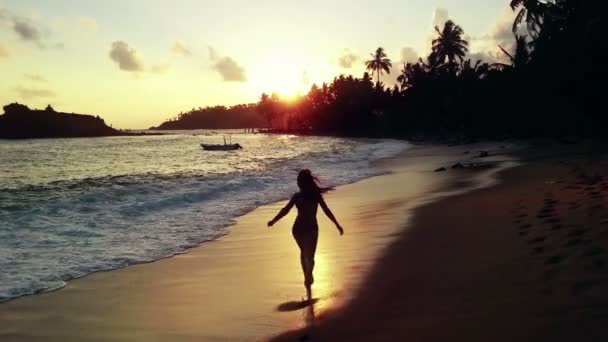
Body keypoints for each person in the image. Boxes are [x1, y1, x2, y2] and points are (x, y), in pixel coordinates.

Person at [268, 169, 344, 292]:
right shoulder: (311, 196)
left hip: (298, 228)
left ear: (302, 183)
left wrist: (274, 221)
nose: (297, 182)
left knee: (304, 253)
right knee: (309, 255)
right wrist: (337, 224)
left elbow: (285, 210)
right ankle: (308, 275)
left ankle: (307, 276)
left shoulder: (300, 196)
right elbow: (286, 210)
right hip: (308, 229)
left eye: (299, 180)